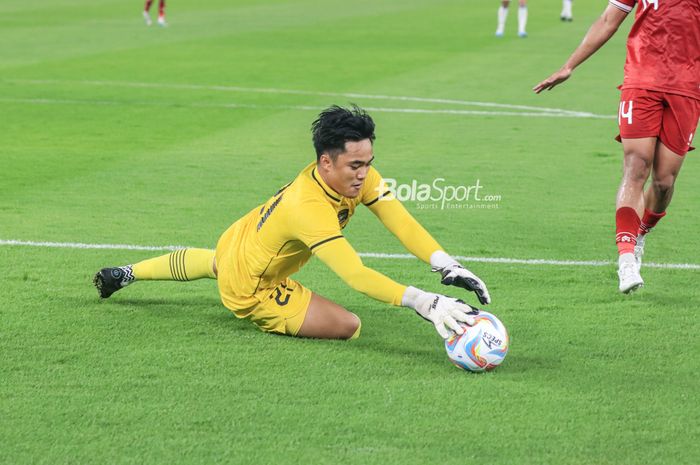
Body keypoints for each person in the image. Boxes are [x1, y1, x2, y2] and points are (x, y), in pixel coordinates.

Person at [93, 105, 491, 340]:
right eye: (356, 165)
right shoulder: (309, 207)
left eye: (368, 163)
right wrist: (424, 301)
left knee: (219, 260)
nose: (365, 174)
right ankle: (237, 290)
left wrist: (445, 264)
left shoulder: (357, 176)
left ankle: (127, 272)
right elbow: (354, 273)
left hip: (243, 236)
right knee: (348, 326)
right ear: (325, 161)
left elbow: (400, 220)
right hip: (254, 285)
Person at [533, 0, 699, 293]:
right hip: (640, 80)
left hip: (686, 87)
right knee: (637, 166)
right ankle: (626, 258)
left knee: (664, 182)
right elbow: (609, 20)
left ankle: (640, 234)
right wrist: (569, 65)